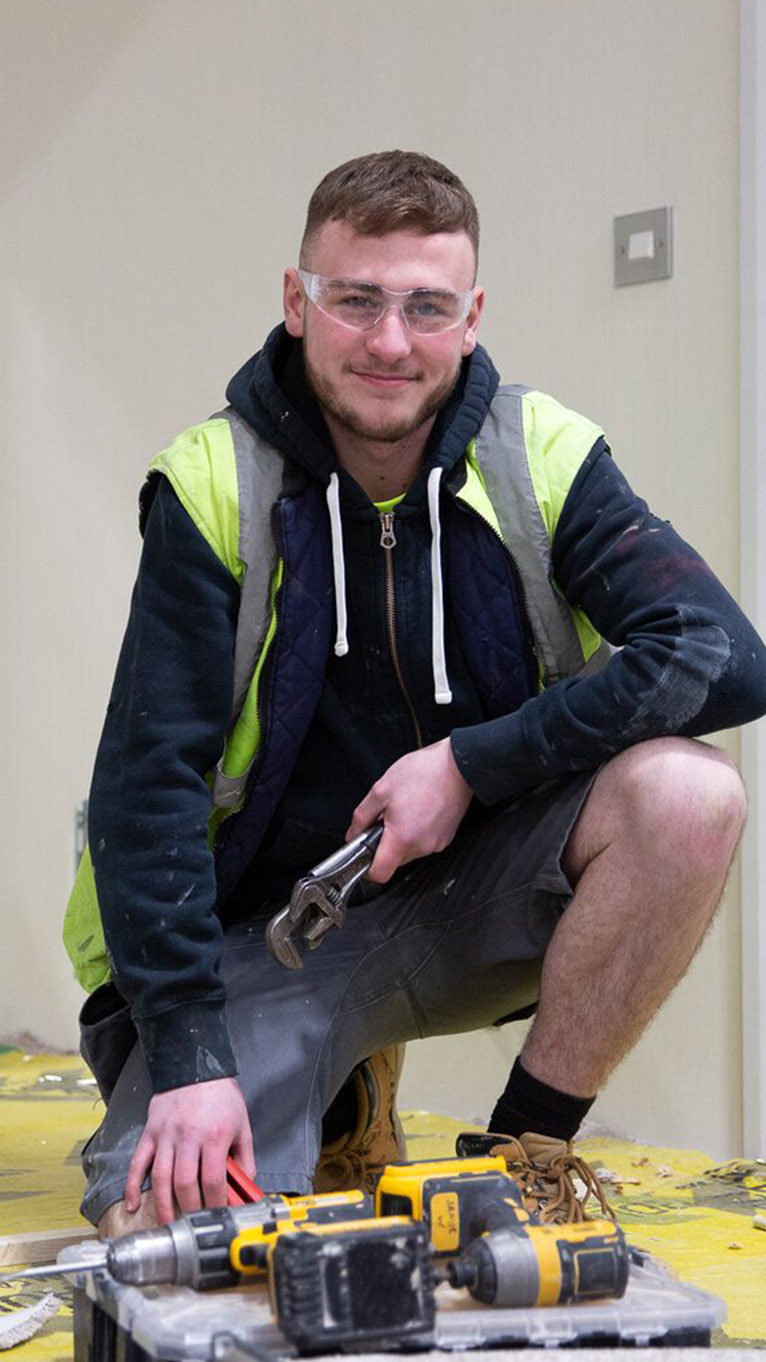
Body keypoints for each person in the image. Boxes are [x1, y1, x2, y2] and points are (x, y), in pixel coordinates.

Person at [66, 149, 766, 1238]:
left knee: (689, 797)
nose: (390, 342)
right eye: (355, 300)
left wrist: (466, 767)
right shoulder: (212, 484)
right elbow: (144, 788)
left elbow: (723, 656)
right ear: (296, 302)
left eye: (425, 306)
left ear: (471, 314)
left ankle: (525, 1151)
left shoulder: (540, 453)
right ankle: (339, 1087)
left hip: (473, 888)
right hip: (269, 931)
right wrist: (192, 1055)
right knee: (162, 1232)